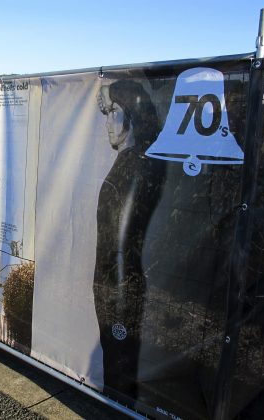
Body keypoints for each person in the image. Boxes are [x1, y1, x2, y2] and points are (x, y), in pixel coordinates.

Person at [93, 80, 166, 399]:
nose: (108, 121)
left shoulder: (139, 164)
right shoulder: (128, 161)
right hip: (110, 283)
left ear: (133, 113)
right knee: (115, 365)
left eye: (114, 111)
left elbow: (125, 239)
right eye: (106, 113)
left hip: (121, 285)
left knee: (120, 369)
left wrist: (114, 289)